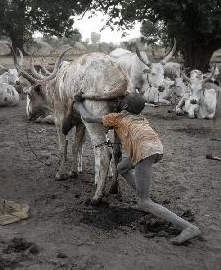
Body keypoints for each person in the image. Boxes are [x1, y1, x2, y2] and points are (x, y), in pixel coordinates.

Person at [73, 92, 201, 245]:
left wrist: (78, 103)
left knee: (143, 203)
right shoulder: (141, 116)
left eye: (121, 101)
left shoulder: (117, 118)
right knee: (121, 168)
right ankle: (144, 196)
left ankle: (188, 227)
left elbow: (87, 118)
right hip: (156, 148)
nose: (119, 102)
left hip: (144, 151)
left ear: (125, 106)